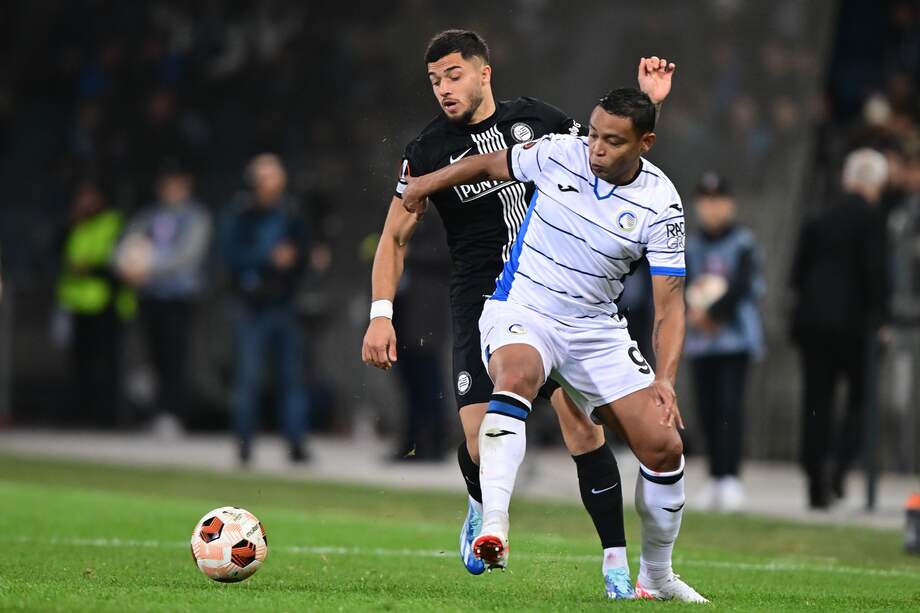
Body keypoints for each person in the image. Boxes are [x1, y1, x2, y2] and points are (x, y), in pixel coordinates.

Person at [361, 29, 675, 598]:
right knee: (483, 446)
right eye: (434, 81)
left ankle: (615, 566)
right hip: (485, 300)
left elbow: (613, 143)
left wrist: (650, 99)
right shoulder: (429, 149)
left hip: (558, 297)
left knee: (583, 431)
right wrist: (382, 312)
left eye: (454, 75)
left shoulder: (538, 120)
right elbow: (394, 235)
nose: (444, 90)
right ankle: (481, 503)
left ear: (485, 72)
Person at [790, 148, 891, 509]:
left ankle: (815, 479)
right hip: (854, 325)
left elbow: (797, 274)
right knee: (861, 400)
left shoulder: (818, 216)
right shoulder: (872, 220)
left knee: (816, 400)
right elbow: (875, 275)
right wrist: (880, 319)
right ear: (875, 183)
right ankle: (842, 464)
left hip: (813, 323)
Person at [221, 154, 309, 465]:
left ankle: (296, 444)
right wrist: (266, 257)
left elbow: (305, 254)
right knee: (248, 376)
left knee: (293, 377)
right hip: (251, 307)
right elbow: (229, 255)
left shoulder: (291, 212)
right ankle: (244, 443)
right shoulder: (241, 213)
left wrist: (295, 260)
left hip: (284, 303)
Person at [684, 172, 764, 512]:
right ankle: (715, 476)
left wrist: (712, 314)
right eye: (706, 202)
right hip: (701, 343)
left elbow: (744, 287)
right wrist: (693, 314)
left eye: (718, 202)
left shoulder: (743, 243)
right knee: (707, 409)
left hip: (734, 341)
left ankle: (731, 477)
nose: (712, 209)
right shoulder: (691, 245)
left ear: (729, 205)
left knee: (729, 408)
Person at [118, 168, 212, 436]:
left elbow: (187, 256)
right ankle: (155, 411)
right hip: (150, 295)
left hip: (179, 296)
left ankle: (173, 413)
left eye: (177, 185)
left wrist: (149, 268)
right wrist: (125, 265)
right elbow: (124, 243)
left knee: (176, 357)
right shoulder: (149, 215)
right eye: (167, 184)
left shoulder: (195, 216)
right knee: (152, 358)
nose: (171, 190)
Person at [57, 181, 135, 427]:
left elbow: (117, 263)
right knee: (81, 364)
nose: (85, 203)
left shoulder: (113, 223)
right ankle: (82, 414)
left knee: (108, 364)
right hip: (78, 303)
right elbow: (61, 255)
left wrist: (89, 268)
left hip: (106, 302)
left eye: (90, 198)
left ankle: (108, 416)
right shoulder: (75, 224)